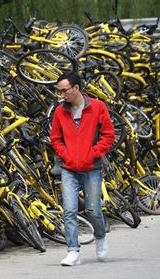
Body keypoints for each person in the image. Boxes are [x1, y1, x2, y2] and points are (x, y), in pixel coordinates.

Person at [50, 71, 115, 266]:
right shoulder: (60, 111)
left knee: (93, 210)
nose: (62, 95)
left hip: (92, 167)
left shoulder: (97, 107)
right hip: (69, 168)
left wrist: (94, 153)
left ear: (76, 88)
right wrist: (66, 154)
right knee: (69, 211)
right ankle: (73, 251)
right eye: (59, 91)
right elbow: (55, 138)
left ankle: (101, 237)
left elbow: (109, 135)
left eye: (64, 90)